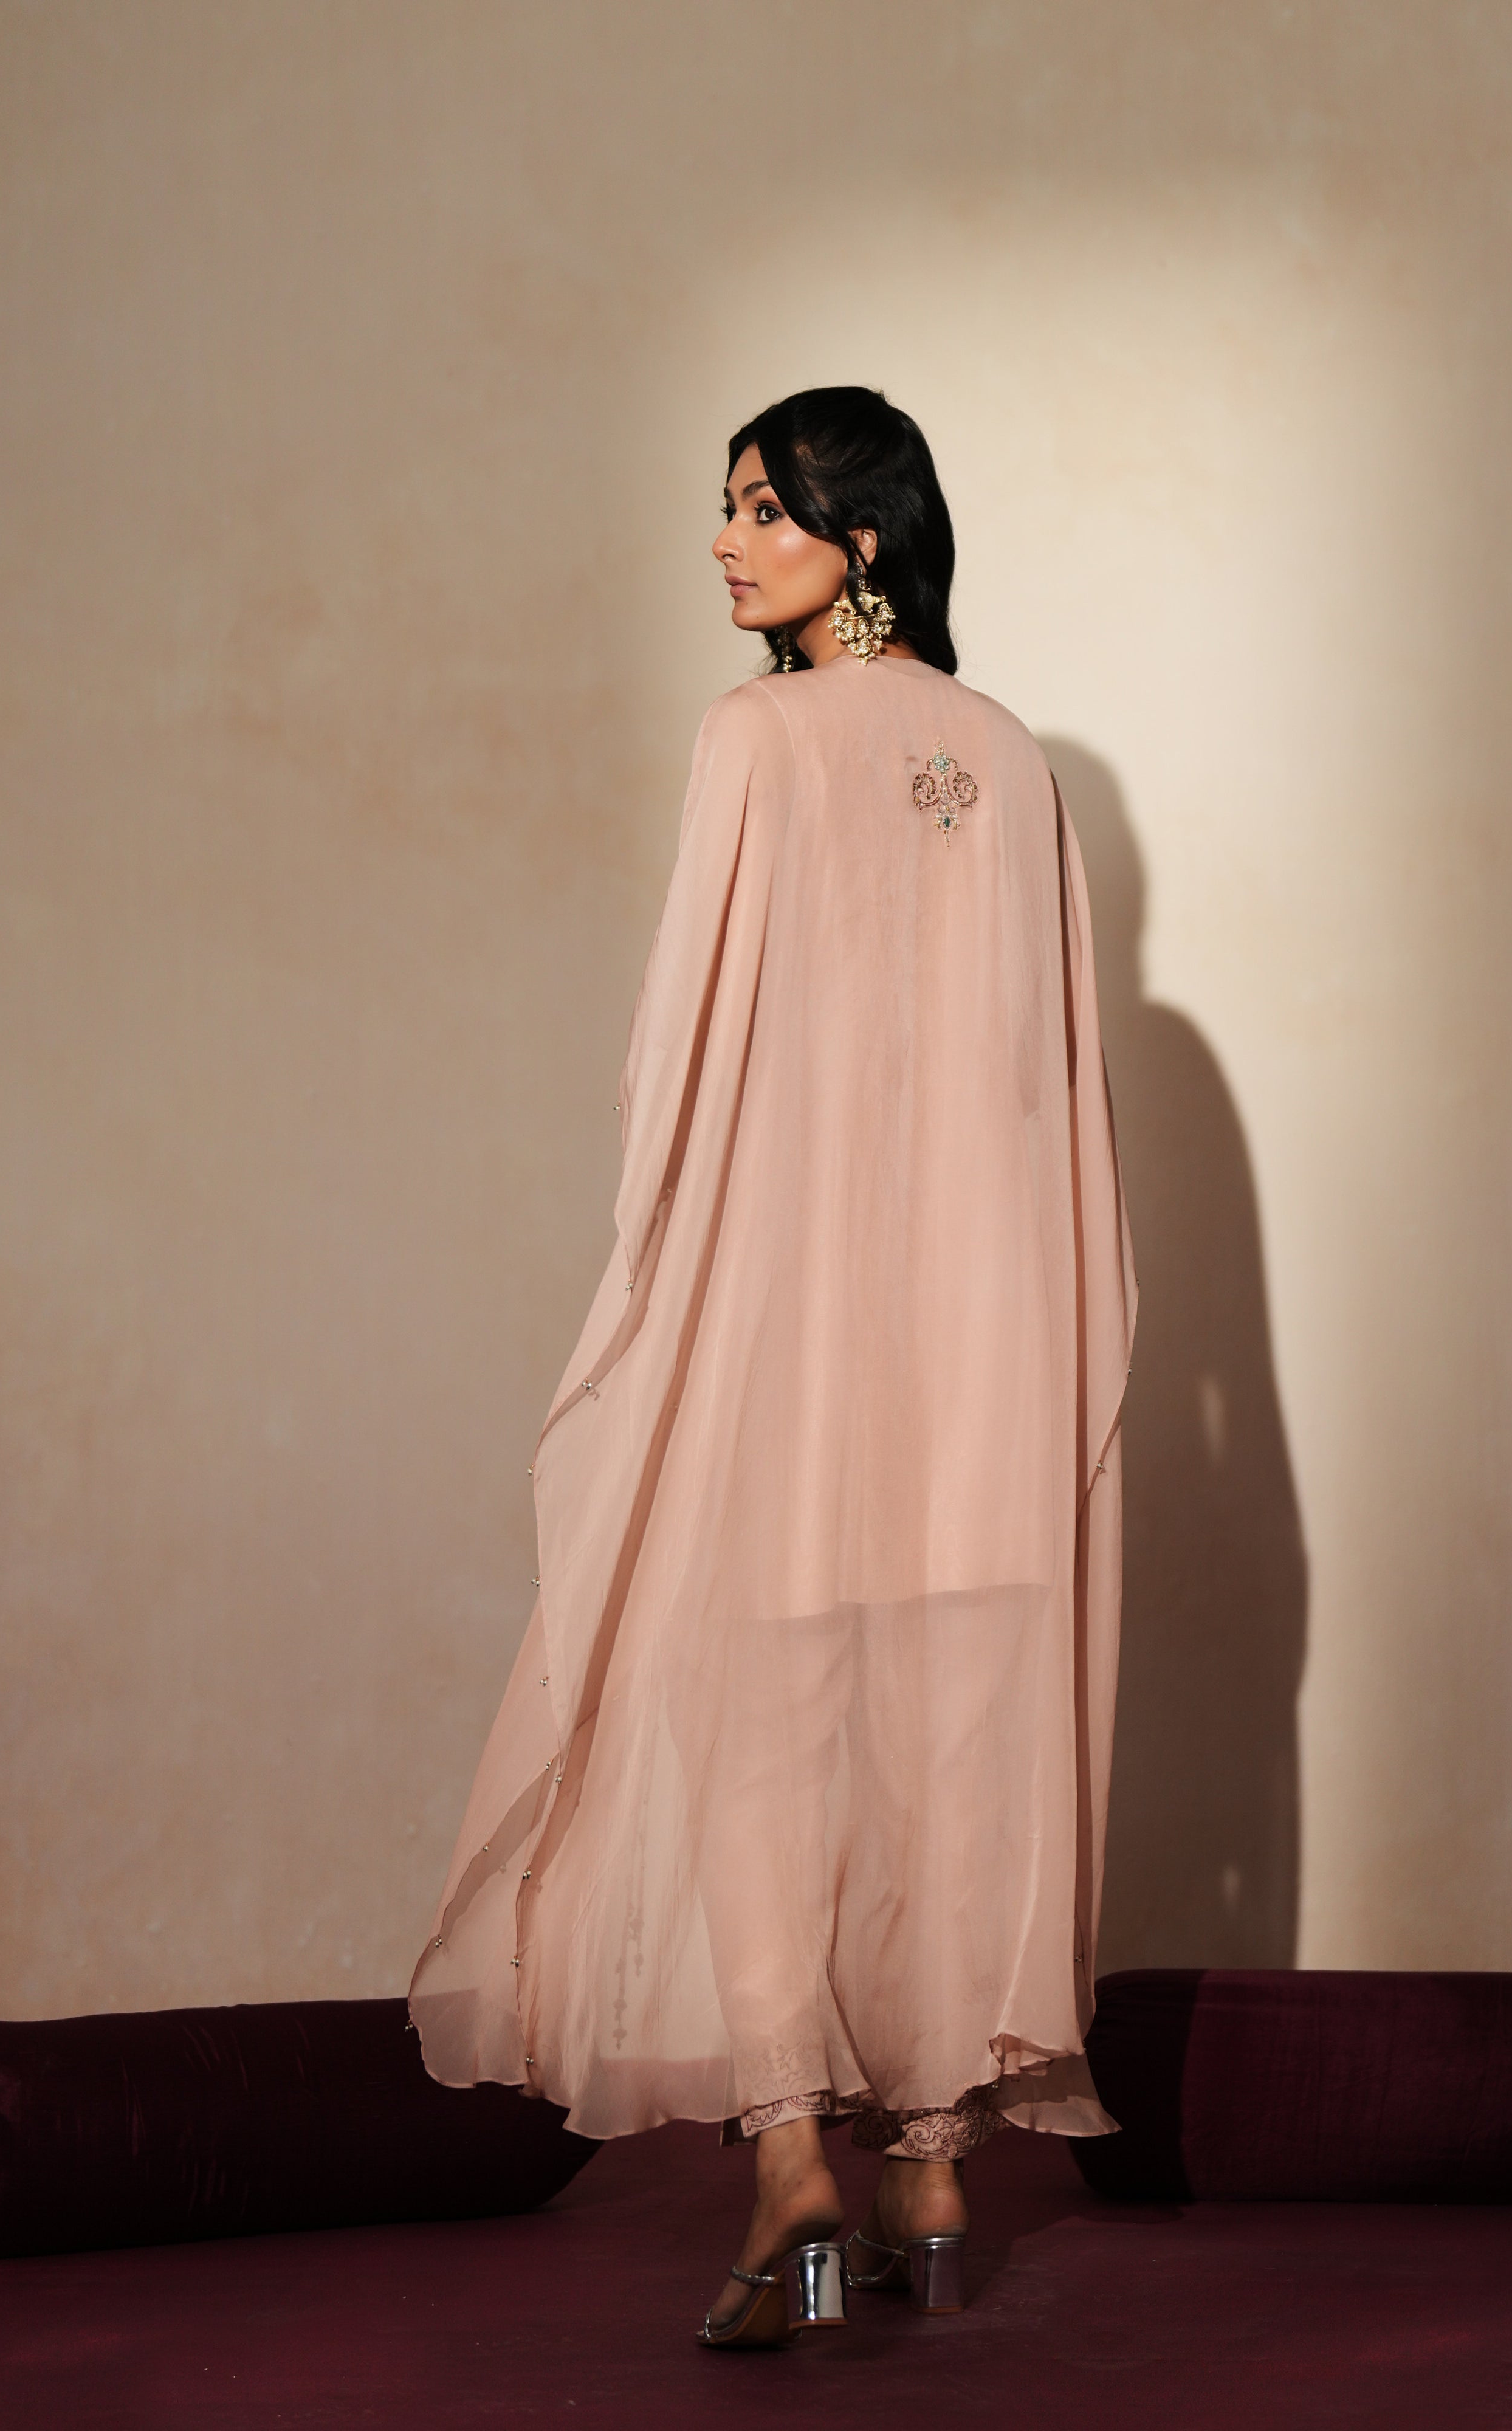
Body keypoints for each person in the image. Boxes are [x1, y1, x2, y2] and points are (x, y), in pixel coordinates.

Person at [409, 387, 1135, 2349]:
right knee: (962, 1721)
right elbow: (1069, 1106)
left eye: (760, 510)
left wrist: (657, 1288)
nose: (724, 548)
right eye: (722, 510)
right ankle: (937, 2168)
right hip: (993, 1331)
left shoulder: (756, 738)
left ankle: (796, 2166)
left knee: (768, 1719)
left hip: (797, 1321)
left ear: (863, 534)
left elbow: (682, 1061)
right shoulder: (1009, 761)